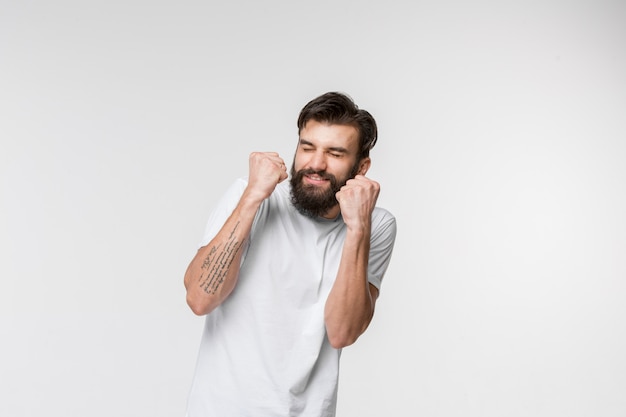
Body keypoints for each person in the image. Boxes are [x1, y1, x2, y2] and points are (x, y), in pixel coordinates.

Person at [183, 91, 397, 417]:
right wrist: (254, 195)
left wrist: (357, 228)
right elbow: (200, 299)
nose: (316, 164)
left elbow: (342, 332)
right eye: (307, 147)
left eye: (335, 153)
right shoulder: (254, 195)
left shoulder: (376, 225)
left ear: (361, 167)